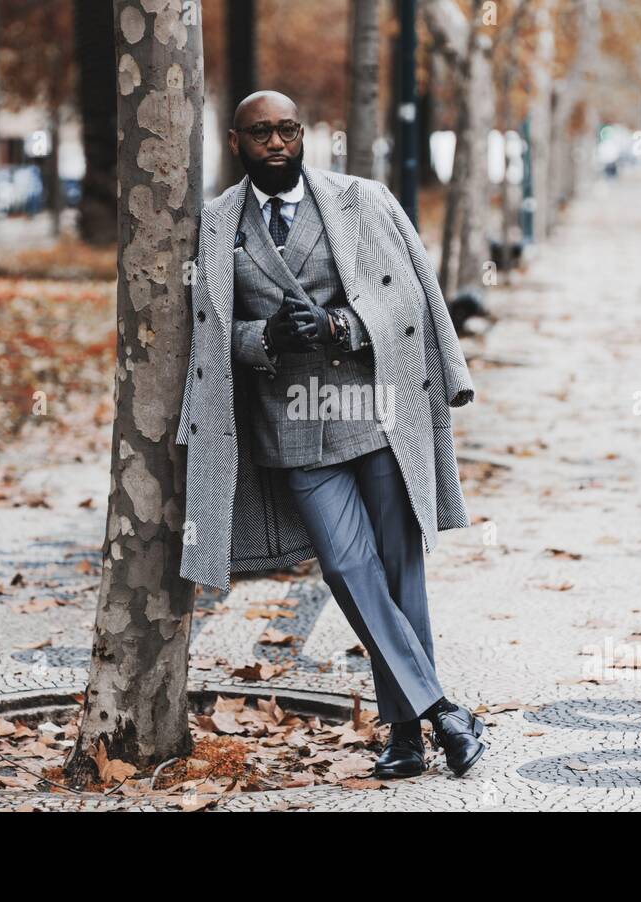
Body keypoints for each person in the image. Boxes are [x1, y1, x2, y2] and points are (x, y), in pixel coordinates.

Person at [177, 90, 485, 778]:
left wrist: (343, 325)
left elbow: (410, 294)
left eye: (289, 129)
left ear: (303, 133)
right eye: (261, 133)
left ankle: (407, 740)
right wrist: (265, 338)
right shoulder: (217, 223)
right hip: (291, 431)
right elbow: (203, 328)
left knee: (402, 575)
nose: (278, 143)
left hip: (373, 415)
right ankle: (444, 713)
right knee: (348, 570)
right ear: (236, 143)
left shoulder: (363, 199)